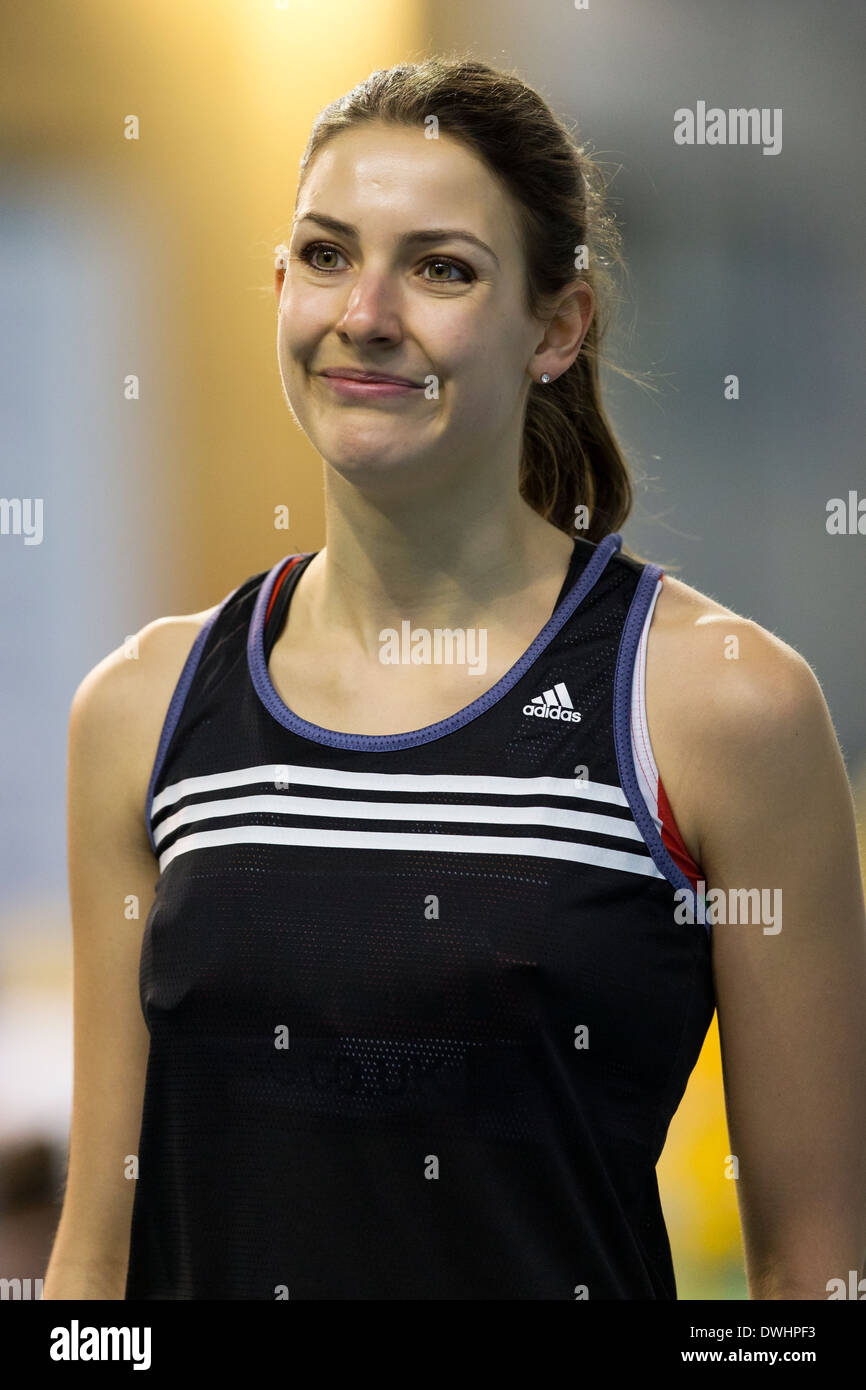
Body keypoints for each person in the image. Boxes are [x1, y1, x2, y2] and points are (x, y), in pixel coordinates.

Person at [44, 56, 866, 1301]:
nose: (365, 311)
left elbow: (814, 1275)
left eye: (440, 267)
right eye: (325, 255)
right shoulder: (142, 708)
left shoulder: (715, 706)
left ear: (557, 327)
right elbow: (97, 1259)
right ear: (279, 285)